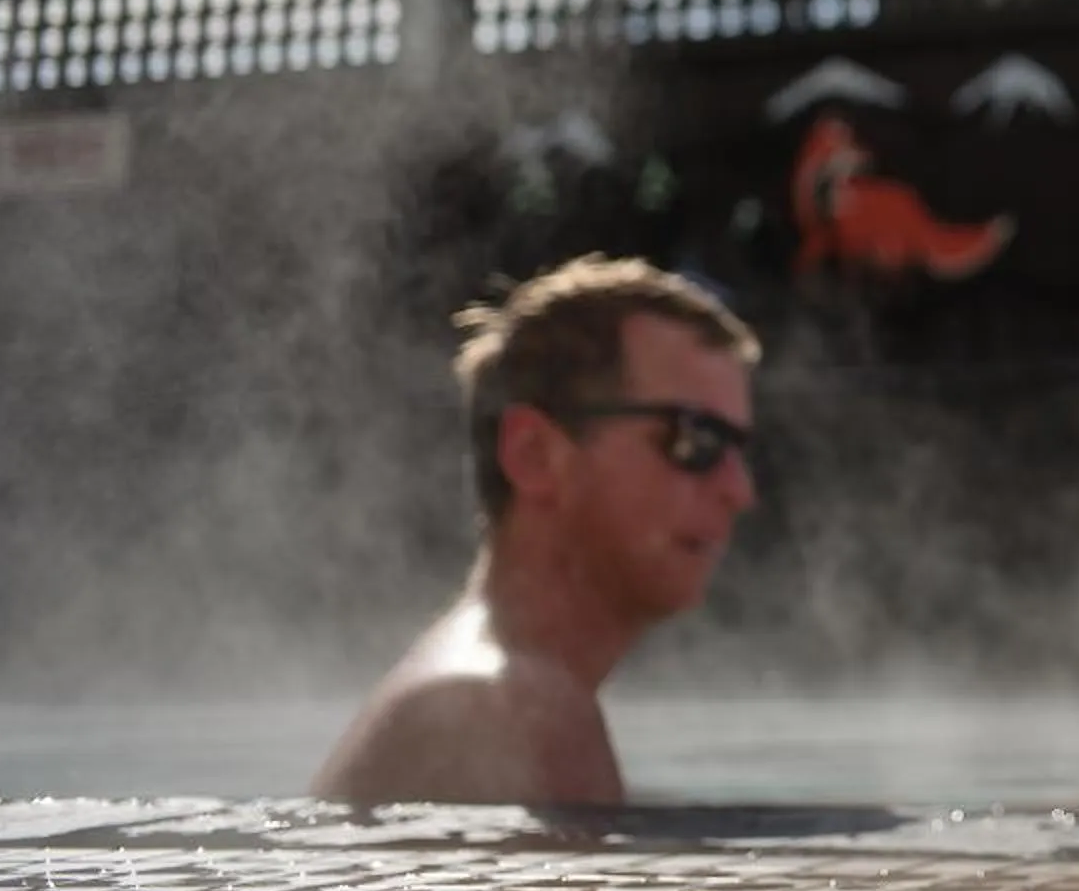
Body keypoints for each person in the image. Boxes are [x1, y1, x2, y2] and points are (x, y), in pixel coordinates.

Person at [314, 255, 760, 807]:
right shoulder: (509, 712)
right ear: (535, 455)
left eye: (739, 449)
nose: (739, 490)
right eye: (696, 440)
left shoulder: (483, 692)